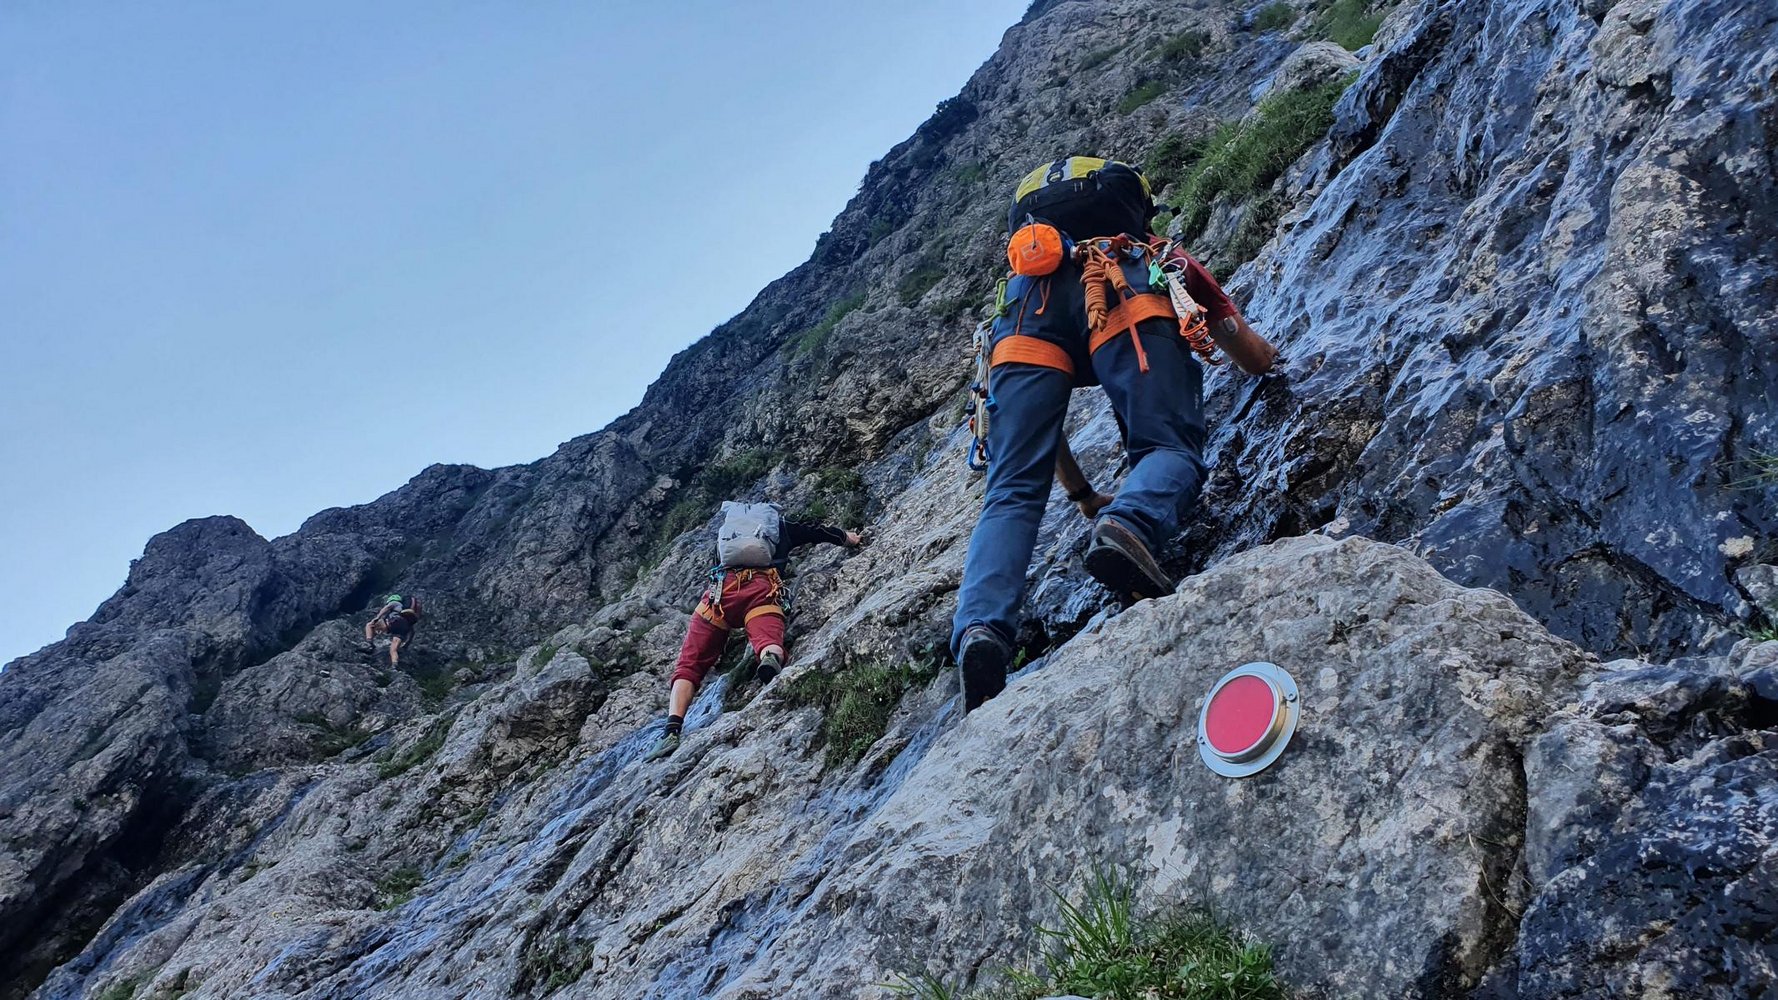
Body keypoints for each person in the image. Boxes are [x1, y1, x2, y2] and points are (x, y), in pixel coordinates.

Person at [951, 155, 1274, 713]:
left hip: (1023, 324)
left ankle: (981, 630)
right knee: (1168, 447)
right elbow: (1252, 356)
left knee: (1010, 494)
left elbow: (1040, 436)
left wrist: (1080, 494)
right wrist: (1269, 356)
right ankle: (1130, 525)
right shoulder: (1157, 255)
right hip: (1125, 287)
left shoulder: (1021, 289)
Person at [646, 503, 863, 761]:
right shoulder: (780, 527)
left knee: (689, 664)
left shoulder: (728, 534)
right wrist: (848, 538)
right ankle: (769, 658)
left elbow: (717, 565)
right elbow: (817, 532)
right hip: (760, 591)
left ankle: (671, 731)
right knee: (767, 640)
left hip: (719, 595)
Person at [365, 594, 421, 666]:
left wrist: (377, 618)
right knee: (393, 649)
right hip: (403, 628)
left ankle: (369, 643)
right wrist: (406, 645)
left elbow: (386, 608)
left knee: (369, 625)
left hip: (393, 622)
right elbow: (412, 632)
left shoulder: (395, 603)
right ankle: (394, 665)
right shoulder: (407, 617)